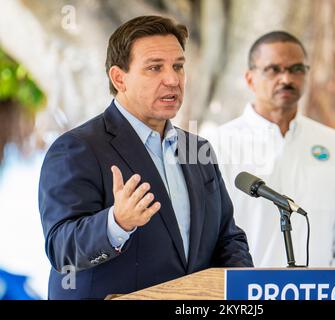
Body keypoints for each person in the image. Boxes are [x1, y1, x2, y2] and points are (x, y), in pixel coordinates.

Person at [38, 15, 253, 300]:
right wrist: (116, 223)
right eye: (155, 68)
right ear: (119, 78)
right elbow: (61, 251)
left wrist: (245, 290)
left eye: (178, 66)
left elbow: (227, 238)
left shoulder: (197, 149)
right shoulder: (77, 148)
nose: (173, 79)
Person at [209, 31, 335, 268]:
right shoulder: (216, 144)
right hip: (244, 296)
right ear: (250, 78)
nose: (286, 78)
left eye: (296, 69)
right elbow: (208, 235)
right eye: (273, 69)